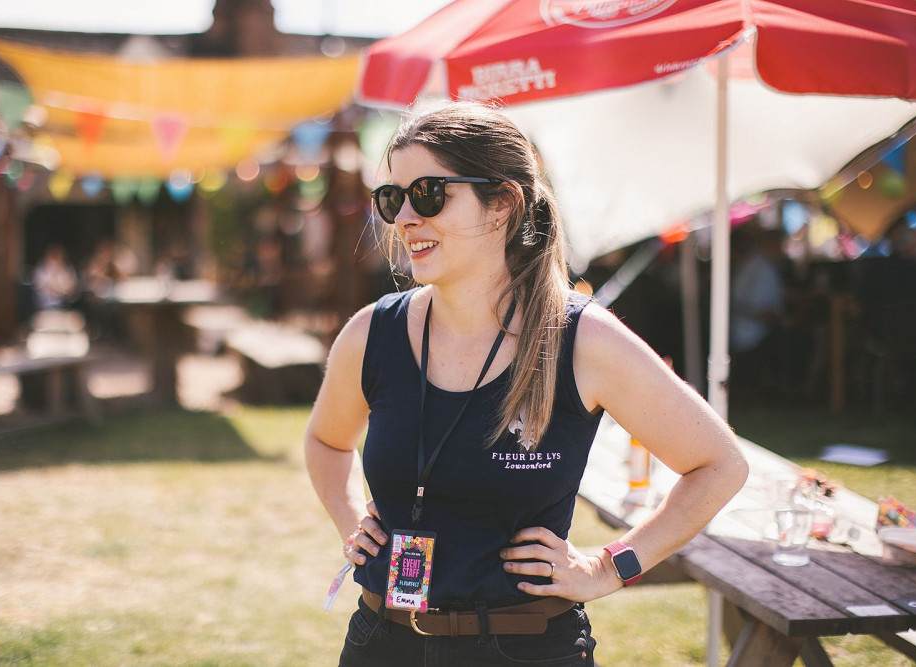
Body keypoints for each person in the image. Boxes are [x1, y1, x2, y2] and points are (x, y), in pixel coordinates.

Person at [304, 101, 748, 666]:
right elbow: (324, 441)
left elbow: (719, 463)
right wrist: (350, 523)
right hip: (382, 641)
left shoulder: (583, 340)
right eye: (392, 198)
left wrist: (611, 567)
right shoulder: (372, 334)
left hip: (526, 648)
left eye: (429, 194)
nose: (405, 219)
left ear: (503, 205)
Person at [32, 243, 79, 311]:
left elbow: (71, 289)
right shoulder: (42, 269)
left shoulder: (67, 269)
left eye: (59, 255)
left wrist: (65, 291)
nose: (56, 258)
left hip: (65, 306)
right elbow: (43, 287)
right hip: (45, 306)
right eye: (53, 255)